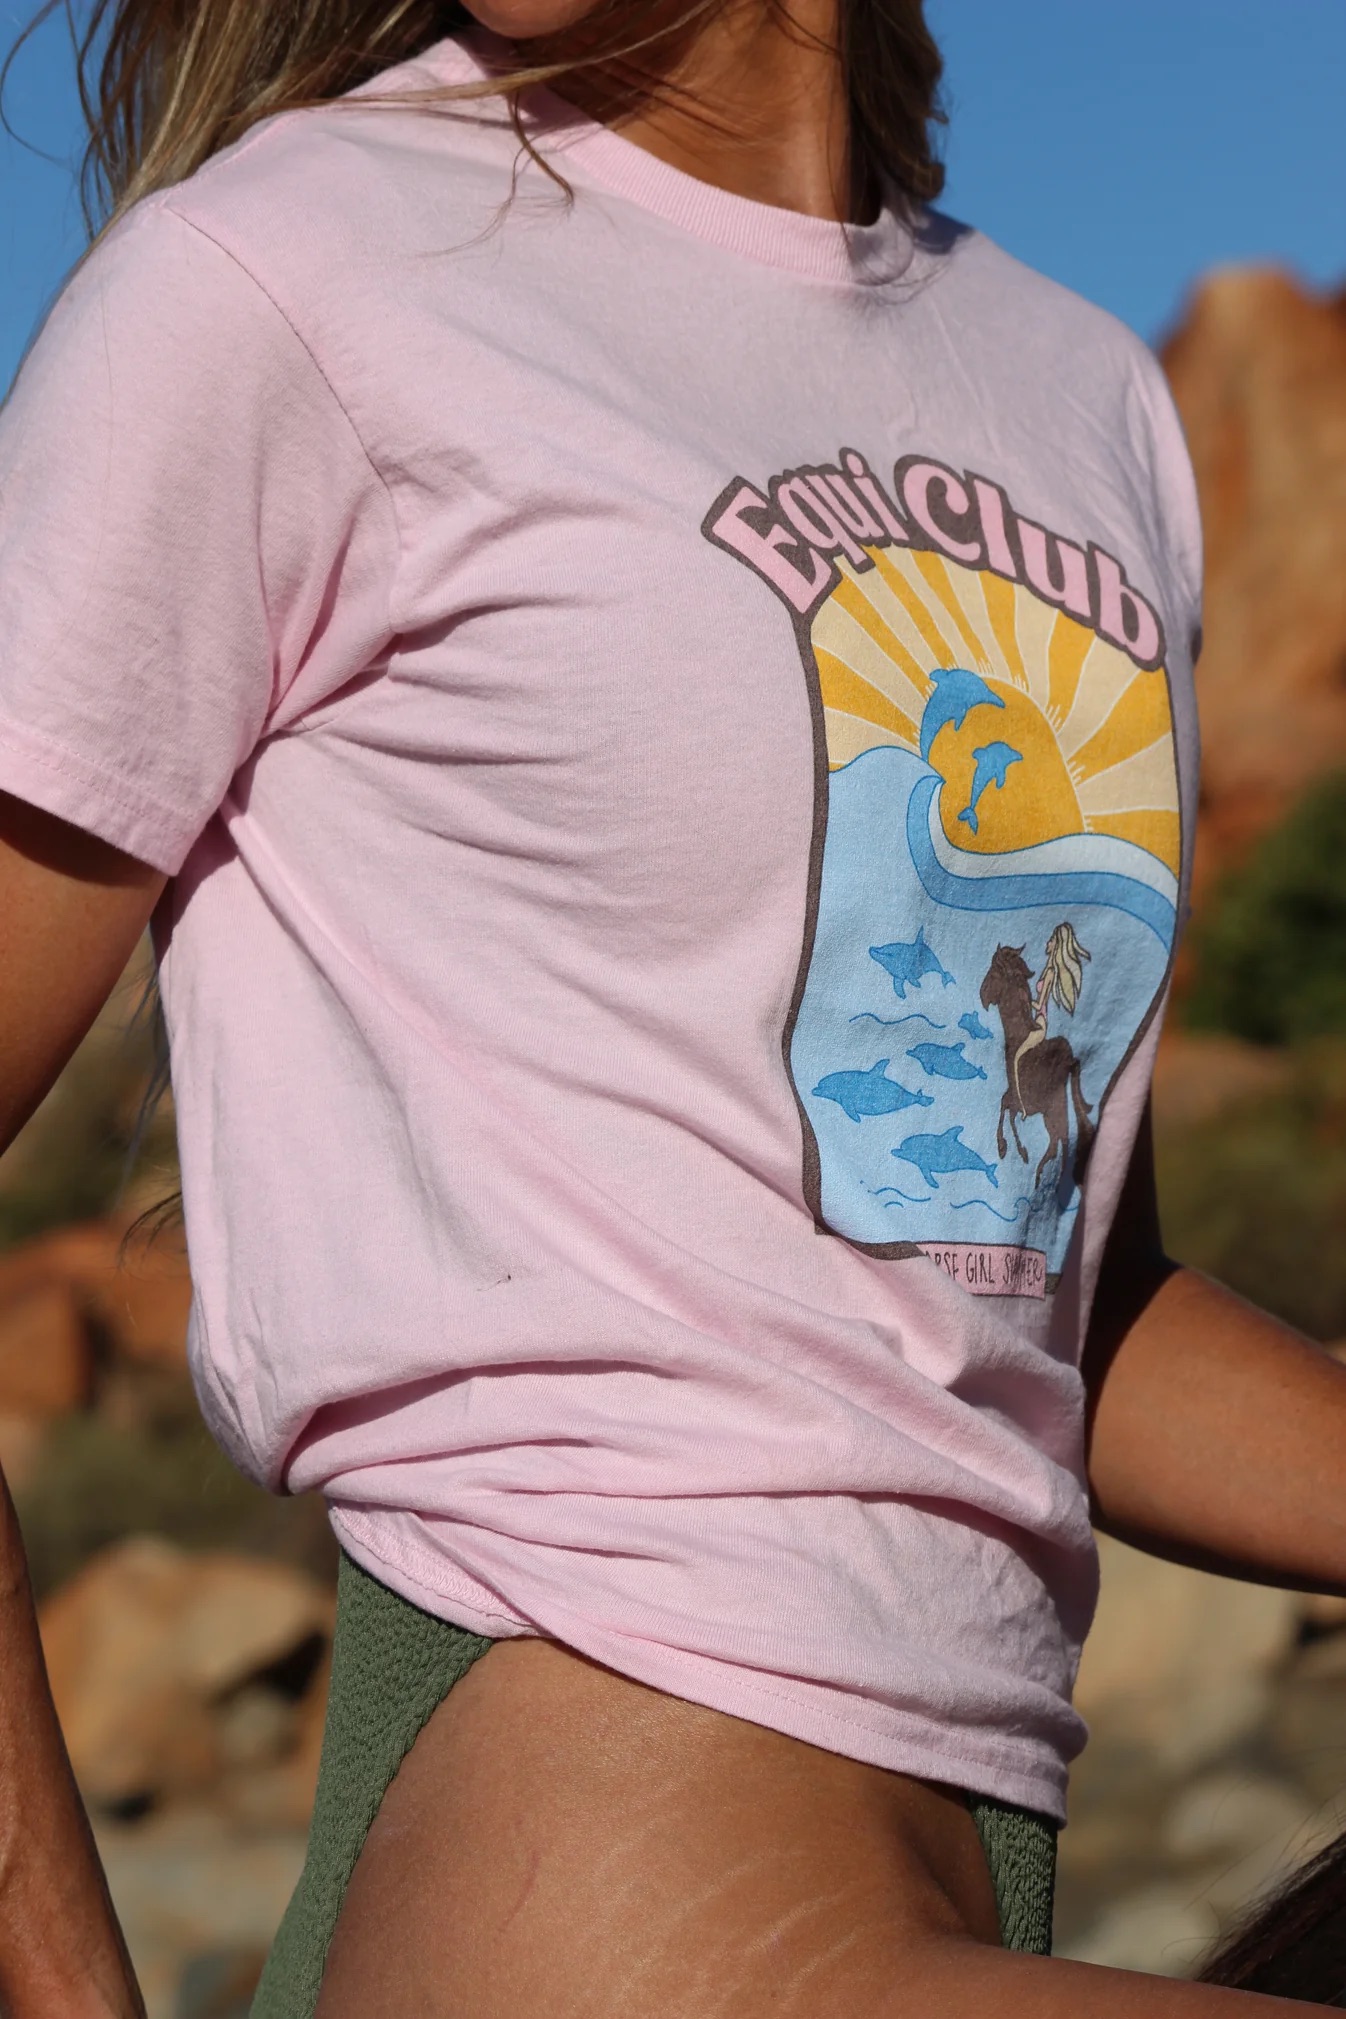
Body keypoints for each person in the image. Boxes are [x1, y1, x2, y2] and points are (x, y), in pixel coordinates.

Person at [0, 1, 1343, 2013]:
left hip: (974, 1844)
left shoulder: (1076, 395)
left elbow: (1030, 1284)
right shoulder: (290, 278)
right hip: (588, 1862)